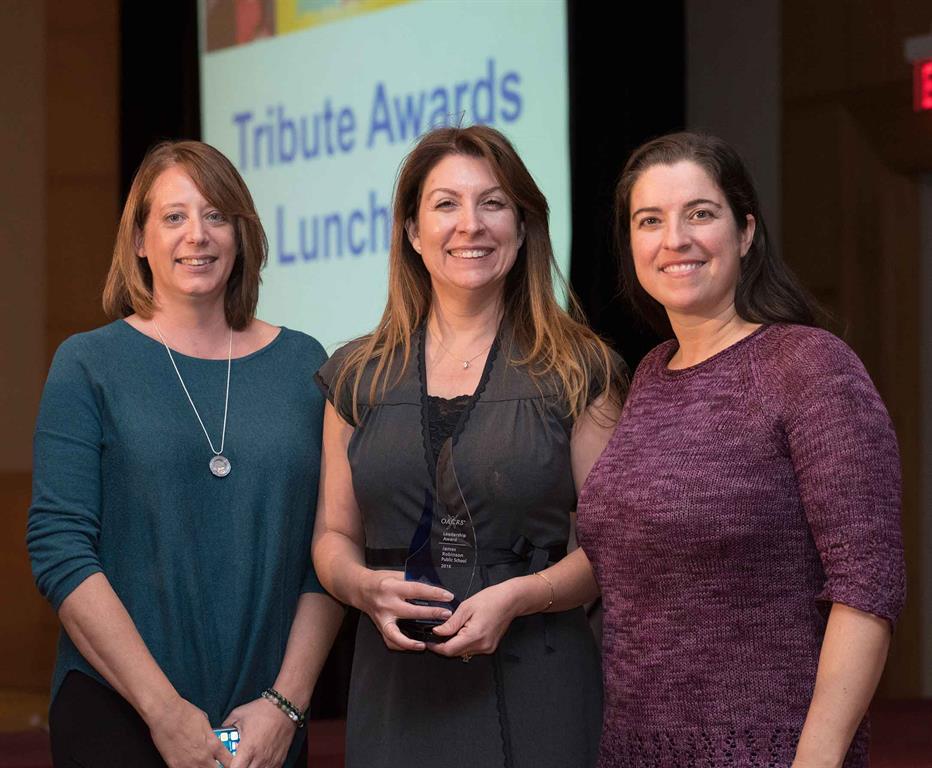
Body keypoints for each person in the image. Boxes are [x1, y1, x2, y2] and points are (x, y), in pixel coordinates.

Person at [576, 132, 906, 768]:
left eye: (700, 213)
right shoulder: (649, 373)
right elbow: (623, 552)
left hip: (771, 752)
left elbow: (868, 584)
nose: (675, 239)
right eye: (651, 221)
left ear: (746, 231)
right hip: (630, 751)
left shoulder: (808, 365)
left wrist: (818, 756)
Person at [312, 125, 625, 768]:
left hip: (541, 683)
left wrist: (520, 595)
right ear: (412, 231)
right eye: (446, 204)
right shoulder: (355, 373)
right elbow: (331, 537)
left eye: (493, 202)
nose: (471, 225)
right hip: (397, 696)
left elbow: (611, 551)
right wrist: (360, 587)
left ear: (523, 224)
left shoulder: (580, 368)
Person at [26, 140, 344, 768]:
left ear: (241, 232)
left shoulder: (307, 365)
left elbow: (331, 547)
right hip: (117, 711)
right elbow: (58, 547)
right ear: (139, 240)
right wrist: (164, 712)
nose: (196, 235)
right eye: (173, 217)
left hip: (267, 722)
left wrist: (287, 704)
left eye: (216, 215)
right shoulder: (87, 364)